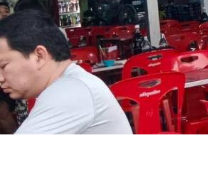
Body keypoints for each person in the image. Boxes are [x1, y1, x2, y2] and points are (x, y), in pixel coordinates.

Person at [0, 11, 131, 134]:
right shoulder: (73, 83)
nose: (0, 78)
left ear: (39, 56)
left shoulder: (70, 91)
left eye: (3, 66)